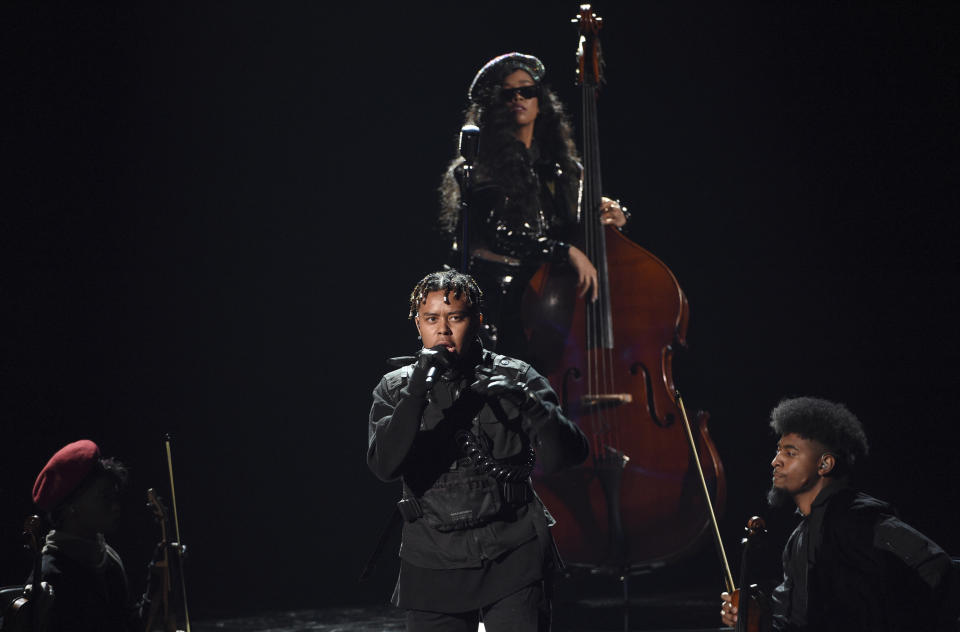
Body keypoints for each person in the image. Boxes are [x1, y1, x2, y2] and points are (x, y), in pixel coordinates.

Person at [367, 269, 589, 631]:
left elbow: (570, 455)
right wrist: (416, 393)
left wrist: (533, 407)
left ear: (477, 321)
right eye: (431, 319)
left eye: (455, 317)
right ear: (417, 324)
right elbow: (384, 466)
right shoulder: (395, 389)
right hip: (433, 558)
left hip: (512, 551)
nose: (443, 329)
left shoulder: (517, 376)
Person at [439, 52, 628, 361]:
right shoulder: (479, 168)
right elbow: (502, 235)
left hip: (550, 305)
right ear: (493, 105)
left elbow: (573, 226)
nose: (519, 98)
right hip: (501, 308)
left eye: (527, 90)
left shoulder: (563, 169)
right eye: (507, 93)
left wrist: (613, 215)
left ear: (541, 100)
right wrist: (565, 251)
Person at [720, 397, 959, 632]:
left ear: (824, 464)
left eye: (790, 453)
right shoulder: (799, 538)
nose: (775, 461)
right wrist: (752, 615)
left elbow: (938, 566)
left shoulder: (858, 519)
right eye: (778, 451)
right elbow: (793, 620)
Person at [29, 439, 153, 632]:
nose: (115, 506)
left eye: (115, 497)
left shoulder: (108, 558)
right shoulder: (52, 575)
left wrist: (157, 583)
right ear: (71, 507)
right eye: (104, 497)